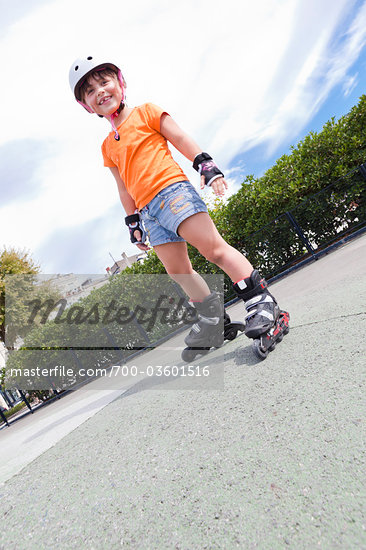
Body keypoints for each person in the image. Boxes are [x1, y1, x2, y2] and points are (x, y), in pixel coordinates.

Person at [69, 56, 288, 355]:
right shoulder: (108, 146)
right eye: (90, 91)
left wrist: (205, 165)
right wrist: (133, 221)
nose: (100, 92)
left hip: (172, 192)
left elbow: (180, 137)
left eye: (104, 82)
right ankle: (214, 322)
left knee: (213, 249)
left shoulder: (146, 112)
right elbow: (122, 185)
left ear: (120, 84)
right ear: (87, 105)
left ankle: (262, 302)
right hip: (148, 212)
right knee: (179, 271)